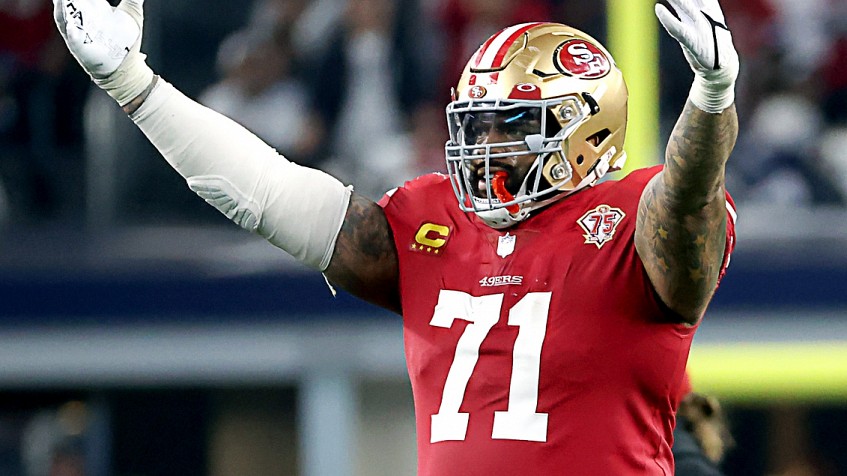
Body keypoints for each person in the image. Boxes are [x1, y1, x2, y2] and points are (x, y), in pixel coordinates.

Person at [52, 0, 739, 473]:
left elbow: (684, 203)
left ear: (587, 132)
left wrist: (710, 95)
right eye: (478, 126)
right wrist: (134, 85)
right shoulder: (433, 226)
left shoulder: (628, 222)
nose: (487, 147)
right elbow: (269, 194)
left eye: (512, 128)